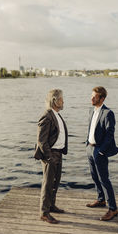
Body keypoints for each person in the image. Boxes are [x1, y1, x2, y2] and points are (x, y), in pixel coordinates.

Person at [34, 89, 68, 224]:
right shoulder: (47, 116)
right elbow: (41, 140)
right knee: (48, 184)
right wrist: (49, 157)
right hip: (51, 154)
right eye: (61, 99)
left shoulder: (57, 114)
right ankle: (44, 213)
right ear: (55, 101)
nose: (63, 101)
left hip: (58, 153)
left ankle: (51, 206)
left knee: (55, 182)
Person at [86, 86, 118, 221]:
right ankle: (101, 199)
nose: (92, 98)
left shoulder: (108, 113)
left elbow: (110, 135)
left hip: (99, 151)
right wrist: (87, 145)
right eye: (92, 95)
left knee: (104, 179)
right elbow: (91, 128)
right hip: (90, 148)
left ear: (102, 98)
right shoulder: (91, 110)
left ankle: (113, 209)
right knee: (94, 176)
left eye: (95, 96)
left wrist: (101, 151)